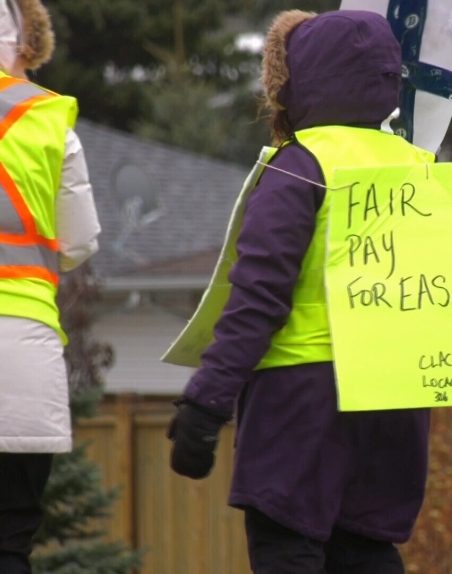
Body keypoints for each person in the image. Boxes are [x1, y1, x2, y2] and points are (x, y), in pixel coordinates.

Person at [164, 10, 433, 574]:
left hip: (301, 408)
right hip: (392, 407)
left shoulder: (300, 167)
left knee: (290, 553)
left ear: (298, 78)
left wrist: (206, 400)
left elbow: (258, 298)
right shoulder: (419, 170)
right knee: (367, 554)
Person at [0, 0, 102, 571]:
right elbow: (80, 243)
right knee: (11, 533)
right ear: (23, 46)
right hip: (22, 348)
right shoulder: (44, 119)